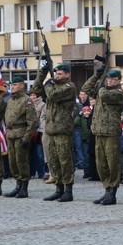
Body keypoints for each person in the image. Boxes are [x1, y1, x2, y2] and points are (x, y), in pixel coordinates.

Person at [32, 63, 78, 202]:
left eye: (60, 74)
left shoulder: (69, 87)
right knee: (53, 161)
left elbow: (52, 96)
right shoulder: (53, 85)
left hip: (63, 129)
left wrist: (48, 84)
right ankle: (59, 189)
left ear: (67, 74)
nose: (58, 76)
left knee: (65, 161)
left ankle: (68, 190)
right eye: (56, 73)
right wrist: (42, 73)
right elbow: (35, 89)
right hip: (51, 129)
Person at [82, 69, 123, 206]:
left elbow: (104, 95)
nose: (109, 81)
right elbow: (86, 88)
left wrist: (101, 84)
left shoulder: (118, 93)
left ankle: (112, 192)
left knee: (112, 163)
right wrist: (96, 75)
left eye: (113, 79)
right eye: (108, 79)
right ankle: (107, 190)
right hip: (99, 132)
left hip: (111, 132)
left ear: (119, 80)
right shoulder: (103, 90)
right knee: (101, 164)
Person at [3, 76, 39, 198]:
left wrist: (26, 137)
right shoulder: (10, 100)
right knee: (12, 162)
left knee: (21, 161)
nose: (12, 87)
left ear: (22, 86)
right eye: (12, 85)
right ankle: (17, 185)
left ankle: (24, 187)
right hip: (11, 134)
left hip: (21, 134)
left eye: (15, 85)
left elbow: (33, 121)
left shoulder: (26, 100)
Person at [28, 91, 46, 180]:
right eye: (30, 95)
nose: (32, 97)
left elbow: (43, 118)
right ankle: (31, 172)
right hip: (29, 132)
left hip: (39, 131)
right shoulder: (27, 104)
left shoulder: (42, 105)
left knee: (39, 154)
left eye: (34, 95)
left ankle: (41, 172)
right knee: (30, 154)